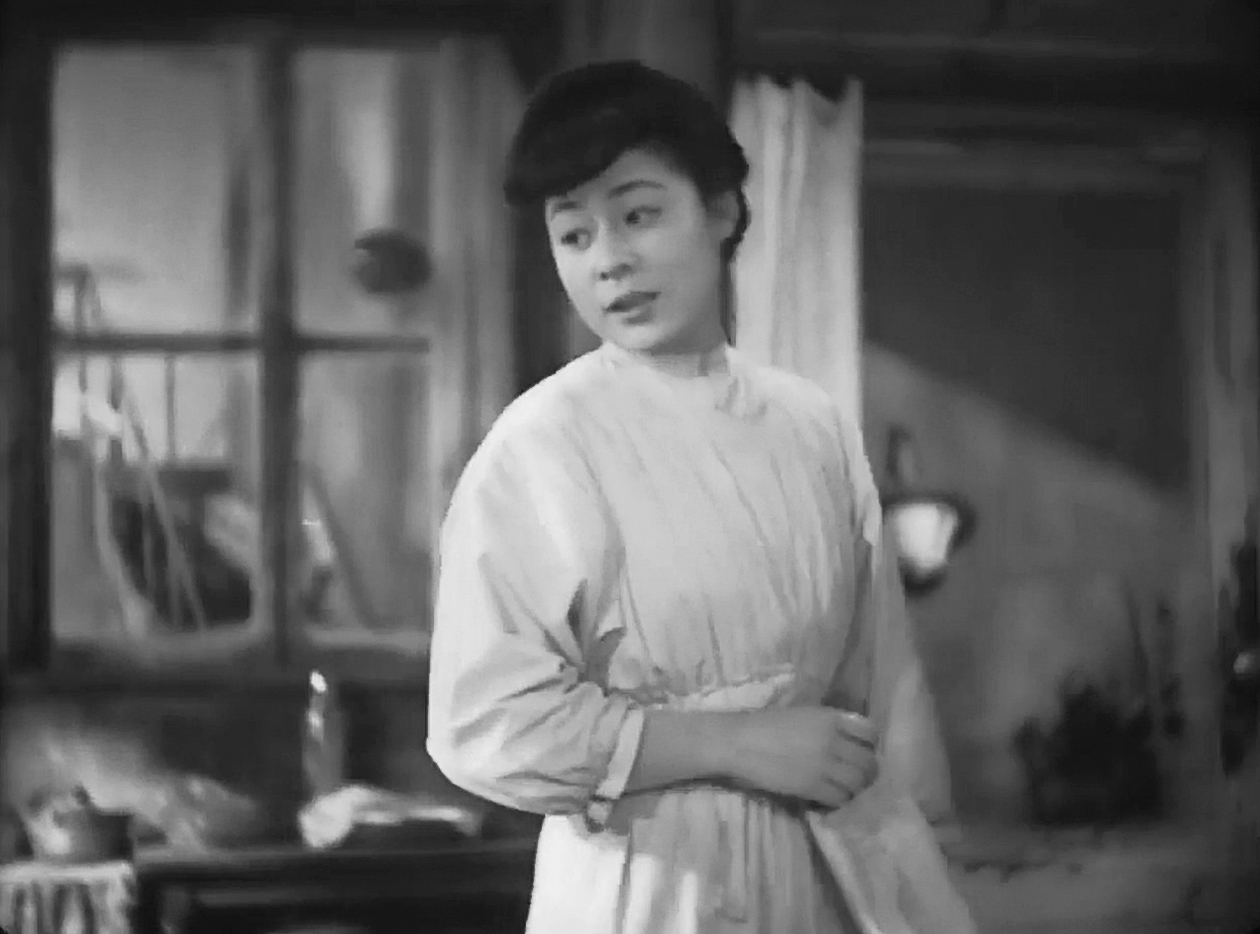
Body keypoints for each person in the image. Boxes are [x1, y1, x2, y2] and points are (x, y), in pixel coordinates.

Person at [427, 60, 974, 934]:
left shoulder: (811, 428)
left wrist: (917, 862)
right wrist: (735, 744)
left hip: (824, 872)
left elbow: (884, 683)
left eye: (639, 215)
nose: (610, 260)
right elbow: (486, 722)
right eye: (574, 234)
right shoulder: (540, 449)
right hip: (646, 887)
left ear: (720, 210)